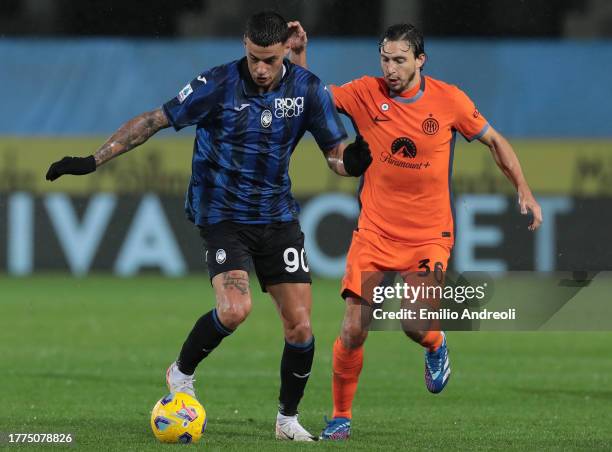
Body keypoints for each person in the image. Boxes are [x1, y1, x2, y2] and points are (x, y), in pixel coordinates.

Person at [45, 11, 373, 442]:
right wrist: (93, 160)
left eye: (270, 60)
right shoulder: (216, 84)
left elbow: (335, 152)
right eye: (254, 57)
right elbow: (153, 121)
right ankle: (181, 372)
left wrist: (350, 162)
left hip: (277, 217)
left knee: (301, 327)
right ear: (244, 45)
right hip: (222, 215)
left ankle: (287, 420)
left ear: (283, 56)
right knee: (235, 309)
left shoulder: (306, 88)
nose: (260, 68)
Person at [289, 22, 543, 440]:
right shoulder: (364, 92)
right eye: (385, 59)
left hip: (428, 236)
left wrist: (524, 190)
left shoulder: (450, 100)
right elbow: (310, 96)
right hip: (373, 232)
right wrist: (299, 54)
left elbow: (494, 140)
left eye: (400, 60)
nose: (390, 68)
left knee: (412, 323)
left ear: (420, 60)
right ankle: (340, 417)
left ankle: (435, 342)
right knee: (353, 329)